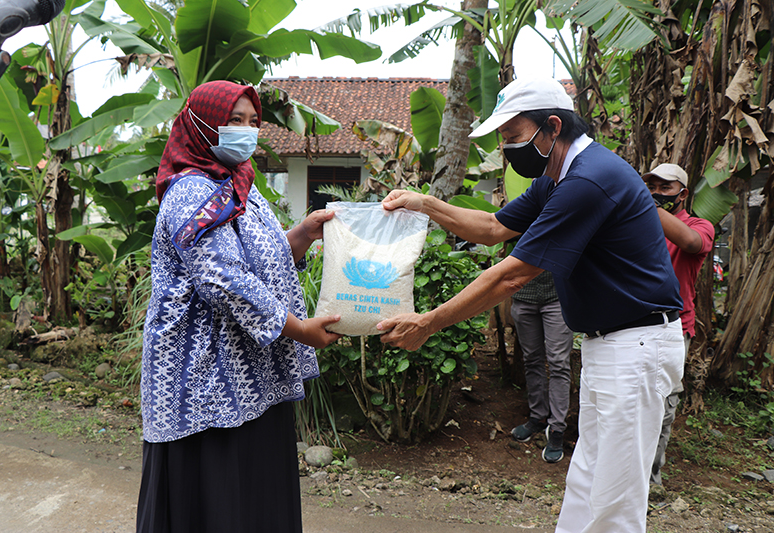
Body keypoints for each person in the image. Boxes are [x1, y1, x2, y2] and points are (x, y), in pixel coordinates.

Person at [376, 77, 684, 533]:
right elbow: (491, 227)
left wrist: (428, 322)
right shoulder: (556, 180)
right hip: (610, 346)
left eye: (514, 136)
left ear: (553, 126)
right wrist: (424, 203)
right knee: (588, 480)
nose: (507, 149)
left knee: (615, 497)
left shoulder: (588, 180)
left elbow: (512, 275)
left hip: (636, 345)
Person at [137, 80, 341, 533]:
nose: (246, 131)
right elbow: (223, 279)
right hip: (204, 380)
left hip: (248, 374)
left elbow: (253, 259)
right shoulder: (192, 191)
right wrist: (300, 329)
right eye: (233, 120)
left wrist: (301, 235)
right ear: (202, 123)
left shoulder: (237, 183)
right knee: (217, 499)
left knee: (250, 495)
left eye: (252, 122)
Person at [642, 163, 714, 486]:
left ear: (682, 194)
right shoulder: (638, 221)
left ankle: (651, 477)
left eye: (665, 188)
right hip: (633, 324)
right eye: (651, 187)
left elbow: (691, 243)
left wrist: (649, 207)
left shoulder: (699, 225)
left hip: (674, 326)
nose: (656, 193)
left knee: (664, 400)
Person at [509, 271, 573, 464]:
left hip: (557, 297)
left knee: (559, 363)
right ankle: (538, 417)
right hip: (523, 295)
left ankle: (557, 429)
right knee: (531, 359)